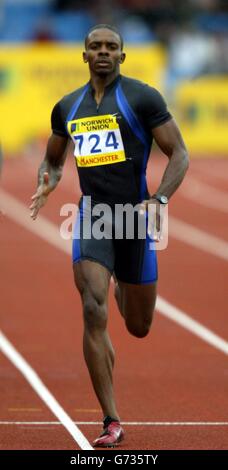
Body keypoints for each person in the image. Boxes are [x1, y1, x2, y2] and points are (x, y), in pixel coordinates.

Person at [30, 24, 189, 448]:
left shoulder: (143, 97)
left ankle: (121, 281)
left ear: (122, 55)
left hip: (134, 217)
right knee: (92, 307)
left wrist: (159, 200)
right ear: (83, 55)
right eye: (95, 46)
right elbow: (53, 158)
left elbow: (180, 152)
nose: (103, 52)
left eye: (111, 47)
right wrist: (48, 179)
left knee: (138, 326)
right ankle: (111, 420)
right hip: (93, 215)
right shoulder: (67, 107)